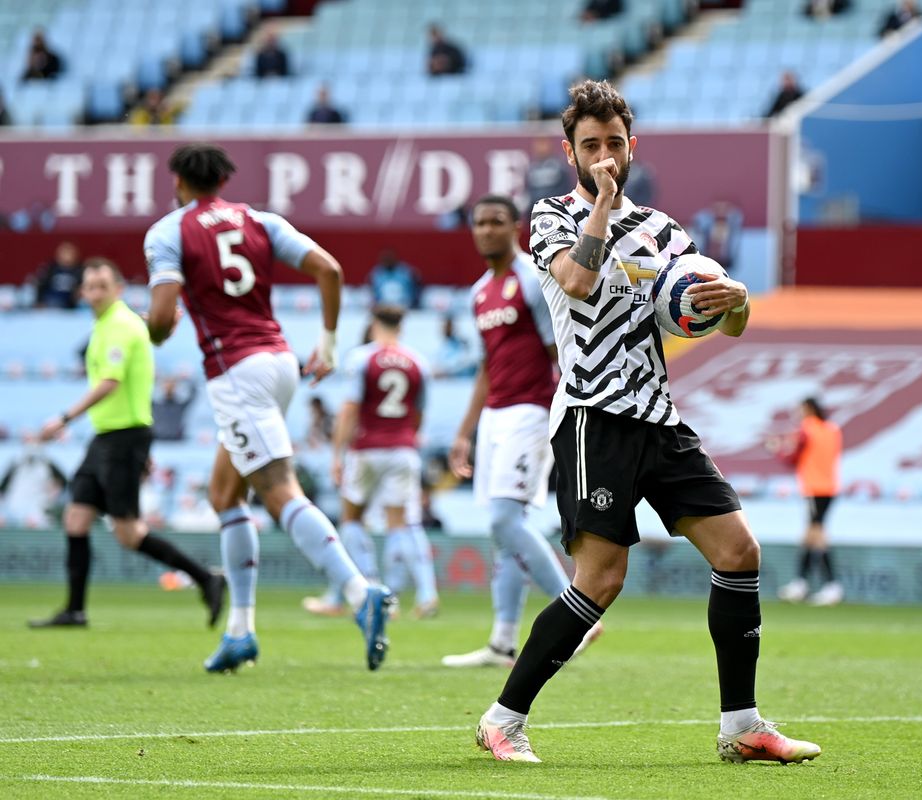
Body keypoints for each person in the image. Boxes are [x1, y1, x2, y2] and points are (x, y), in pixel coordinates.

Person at [473, 80, 820, 765]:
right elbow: (575, 282)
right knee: (600, 580)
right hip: (591, 418)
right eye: (589, 146)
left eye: (613, 145)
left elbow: (718, 322)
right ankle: (502, 719)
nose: (602, 156)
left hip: (659, 418)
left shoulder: (665, 231)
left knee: (739, 552)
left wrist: (737, 298)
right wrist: (601, 202)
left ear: (632, 146)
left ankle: (742, 725)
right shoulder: (549, 216)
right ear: (571, 153)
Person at [144, 143, 393, 673]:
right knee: (224, 493)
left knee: (279, 491)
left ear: (179, 183)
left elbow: (163, 318)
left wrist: (153, 329)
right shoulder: (259, 220)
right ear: (222, 180)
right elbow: (328, 269)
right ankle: (241, 631)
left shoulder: (169, 231)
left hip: (235, 372)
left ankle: (357, 591)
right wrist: (326, 342)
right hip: (278, 362)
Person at [442, 194, 600, 669]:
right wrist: (465, 430)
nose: (487, 229)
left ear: (515, 227)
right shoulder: (478, 293)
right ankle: (503, 642)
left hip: (532, 411)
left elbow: (560, 349)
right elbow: (488, 366)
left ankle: (580, 620)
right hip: (494, 416)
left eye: (497, 222)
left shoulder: (532, 278)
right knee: (505, 533)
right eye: (480, 222)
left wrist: (575, 408)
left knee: (504, 521)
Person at [27, 259, 226, 629]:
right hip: (106, 437)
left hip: (123, 437)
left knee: (129, 532)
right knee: (76, 516)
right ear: (82, 292)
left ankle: (205, 578)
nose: (96, 292)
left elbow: (110, 382)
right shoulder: (109, 325)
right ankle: (75, 610)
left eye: (103, 285)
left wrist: (63, 419)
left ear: (118, 289)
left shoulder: (118, 325)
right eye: (91, 286)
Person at [305, 305, 440, 619]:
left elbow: (349, 410)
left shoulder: (362, 358)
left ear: (373, 324)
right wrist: (406, 437)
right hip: (404, 448)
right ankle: (425, 593)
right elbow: (419, 414)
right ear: (402, 326)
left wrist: (337, 454)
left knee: (352, 519)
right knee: (402, 523)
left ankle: (372, 588)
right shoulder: (418, 362)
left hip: (367, 448)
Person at [774, 398, 844, 606]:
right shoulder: (832, 429)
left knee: (817, 536)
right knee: (810, 536)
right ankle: (801, 584)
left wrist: (778, 449)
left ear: (809, 409)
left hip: (814, 488)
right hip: (830, 487)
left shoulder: (807, 429)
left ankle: (830, 586)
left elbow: (792, 458)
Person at [0, 438, 67, 528]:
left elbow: (63, 482)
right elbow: (3, 488)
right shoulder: (15, 463)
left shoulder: (48, 464)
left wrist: (54, 489)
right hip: (15, 507)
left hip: (40, 506)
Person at [30, 242, 83, 309]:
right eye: (64, 253)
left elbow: (82, 288)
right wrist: (39, 301)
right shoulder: (50, 269)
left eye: (69, 253)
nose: (66, 256)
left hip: (71, 304)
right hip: (51, 302)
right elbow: (41, 286)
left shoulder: (79, 270)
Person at [525, 138, 575, 209]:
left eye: (543, 144)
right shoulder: (532, 169)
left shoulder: (559, 166)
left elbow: (566, 189)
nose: (540, 148)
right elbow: (529, 193)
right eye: (538, 145)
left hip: (557, 208)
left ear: (550, 146)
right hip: (537, 209)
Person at [151, 377, 196, 442]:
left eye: (171, 385)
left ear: (175, 387)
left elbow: (194, 392)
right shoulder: (156, 406)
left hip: (176, 441)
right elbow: (143, 393)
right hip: (159, 440)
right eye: (166, 385)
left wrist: (185, 378)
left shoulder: (180, 406)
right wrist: (154, 379)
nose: (169, 388)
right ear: (162, 387)